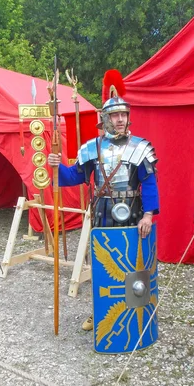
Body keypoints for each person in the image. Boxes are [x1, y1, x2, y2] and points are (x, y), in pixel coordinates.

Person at [48, 69, 159, 331]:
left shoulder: (141, 146)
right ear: (105, 119)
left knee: (133, 260)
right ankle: (99, 311)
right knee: (102, 263)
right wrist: (57, 166)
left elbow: (149, 182)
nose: (120, 120)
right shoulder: (91, 148)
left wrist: (149, 214)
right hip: (102, 211)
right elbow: (74, 176)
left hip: (132, 210)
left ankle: (138, 311)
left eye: (124, 115)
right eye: (115, 115)